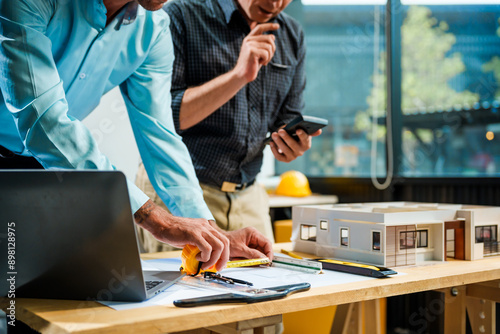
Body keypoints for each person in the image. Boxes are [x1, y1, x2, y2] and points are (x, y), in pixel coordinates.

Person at [0, 0, 273, 272]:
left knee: (40, 294)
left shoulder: (153, 28)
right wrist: (155, 219)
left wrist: (211, 235)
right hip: (24, 153)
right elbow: (43, 120)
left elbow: (161, 138)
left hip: (56, 170)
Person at [135, 0, 321, 252]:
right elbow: (162, 117)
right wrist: (239, 76)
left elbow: (287, 117)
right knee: (187, 289)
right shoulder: (180, 15)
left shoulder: (291, 34)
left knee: (271, 286)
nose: (275, 2)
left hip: (249, 197)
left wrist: (290, 143)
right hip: (178, 192)